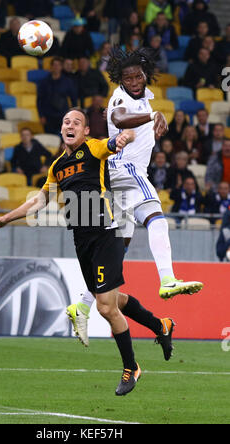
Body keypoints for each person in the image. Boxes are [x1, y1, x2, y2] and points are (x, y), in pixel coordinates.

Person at [0, 107, 175, 396]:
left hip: (106, 234)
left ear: (85, 130)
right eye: (66, 122)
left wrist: (123, 137)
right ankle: (160, 325)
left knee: (104, 307)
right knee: (110, 299)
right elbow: (39, 200)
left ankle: (131, 367)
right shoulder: (58, 166)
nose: (70, 125)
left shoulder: (94, 147)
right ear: (61, 130)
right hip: (81, 240)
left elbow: (114, 143)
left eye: (76, 122)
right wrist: (3, 219)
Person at [68, 48, 203, 348]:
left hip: (114, 180)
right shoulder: (120, 98)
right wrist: (152, 115)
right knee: (156, 217)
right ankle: (167, 280)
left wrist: (157, 115)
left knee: (117, 252)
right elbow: (118, 116)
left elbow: (144, 115)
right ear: (119, 80)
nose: (133, 81)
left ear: (145, 74)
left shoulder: (146, 97)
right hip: (126, 170)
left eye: (137, 75)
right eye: (127, 77)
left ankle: (81, 306)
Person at [37, 57, 78, 135]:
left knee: (65, 138)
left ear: (61, 67)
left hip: (63, 115)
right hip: (48, 116)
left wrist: (73, 114)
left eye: (58, 65)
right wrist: (41, 115)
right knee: (50, 139)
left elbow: (74, 99)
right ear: (51, 67)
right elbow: (39, 100)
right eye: (54, 65)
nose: (56, 67)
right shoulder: (44, 82)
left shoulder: (67, 82)